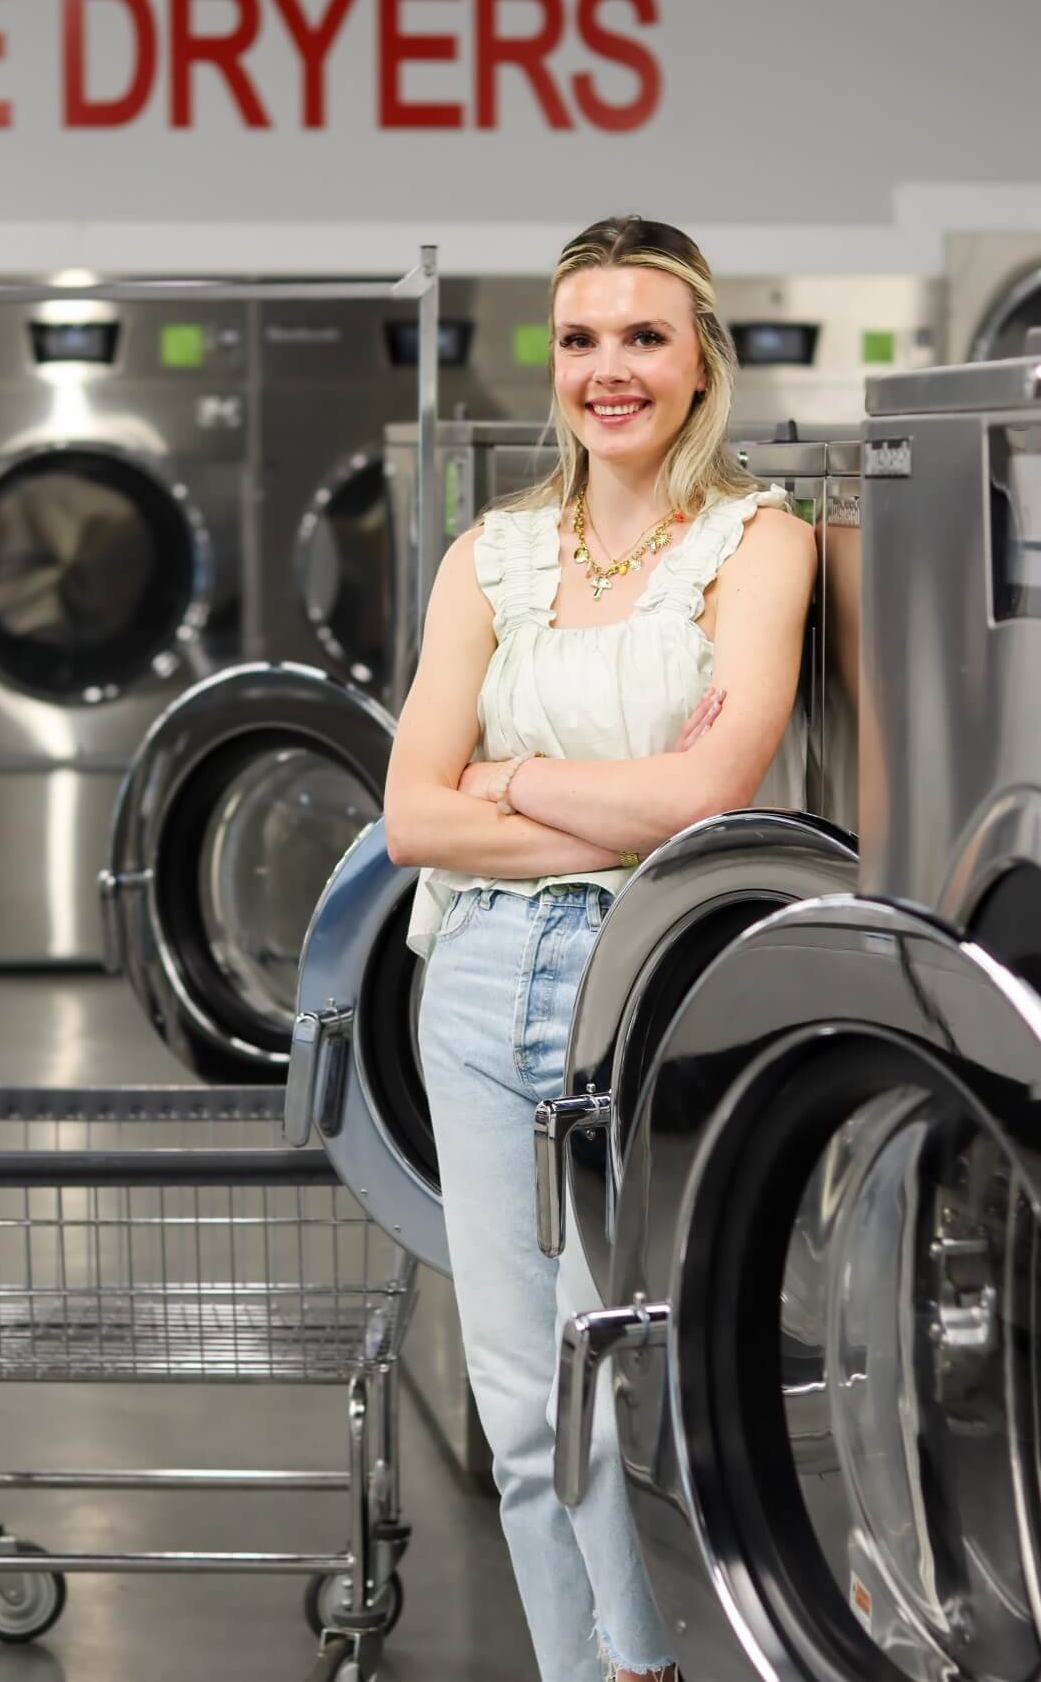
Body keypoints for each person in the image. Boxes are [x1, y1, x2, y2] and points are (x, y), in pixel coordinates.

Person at [383, 215, 814, 1682]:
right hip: (481, 984)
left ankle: (666, 1659)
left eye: (643, 337)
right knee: (518, 1404)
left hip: (653, 996)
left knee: (631, 1375)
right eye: (580, 339)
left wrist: (509, 781)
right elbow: (408, 821)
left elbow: (710, 797)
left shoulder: (761, 546)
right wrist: (609, 812)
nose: (608, 370)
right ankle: (603, 1673)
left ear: (702, 362)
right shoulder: (491, 557)